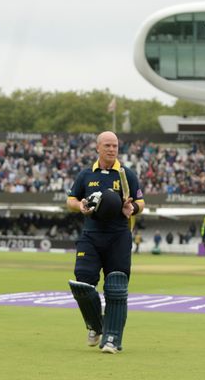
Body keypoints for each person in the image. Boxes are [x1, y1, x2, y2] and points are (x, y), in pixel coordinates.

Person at [66, 131, 144, 354]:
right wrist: (79, 206)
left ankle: (111, 339)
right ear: (98, 148)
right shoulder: (85, 174)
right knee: (82, 283)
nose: (112, 149)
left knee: (116, 287)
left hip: (118, 235)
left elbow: (140, 201)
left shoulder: (126, 174)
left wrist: (133, 208)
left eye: (115, 146)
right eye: (107, 145)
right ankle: (96, 325)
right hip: (91, 235)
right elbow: (70, 199)